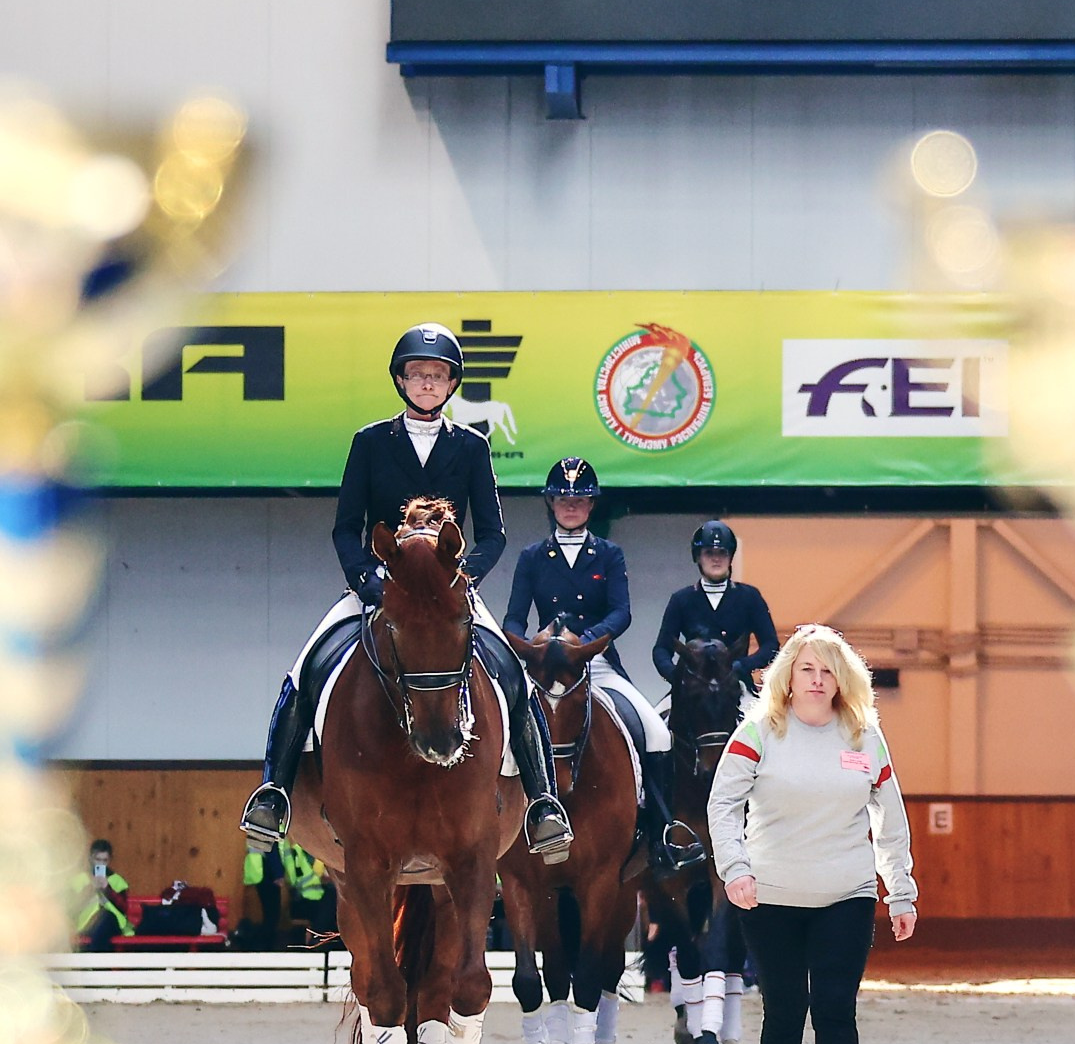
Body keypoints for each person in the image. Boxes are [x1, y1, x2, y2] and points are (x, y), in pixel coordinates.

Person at [240, 324, 573, 862]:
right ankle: (274, 793)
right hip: (379, 586)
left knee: (514, 677)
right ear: (401, 380)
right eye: (417, 375)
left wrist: (460, 581)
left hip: (449, 591)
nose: (426, 384)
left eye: (436, 376)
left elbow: (493, 533)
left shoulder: (472, 446)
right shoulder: (371, 442)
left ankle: (542, 802)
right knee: (305, 670)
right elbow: (346, 527)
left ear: (450, 384)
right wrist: (365, 580)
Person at [707, 624, 917, 1044]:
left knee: (834, 1006)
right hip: (770, 897)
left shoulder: (864, 737)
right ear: (788, 678)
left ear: (843, 679)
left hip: (846, 893)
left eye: (828, 670)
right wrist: (735, 870)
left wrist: (900, 891)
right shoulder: (757, 731)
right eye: (808, 669)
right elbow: (723, 805)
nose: (818, 680)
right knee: (784, 1012)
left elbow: (890, 821)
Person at [502, 457, 704, 877]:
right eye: (563, 499)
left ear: (591, 506)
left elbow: (622, 612)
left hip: (593, 662)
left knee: (655, 729)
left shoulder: (608, 554)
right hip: (544, 664)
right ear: (551, 504)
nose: (570, 506)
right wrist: (527, 644)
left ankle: (663, 830)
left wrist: (585, 642)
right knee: (498, 729)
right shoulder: (533, 556)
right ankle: (492, 831)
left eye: (579, 499)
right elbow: (514, 616)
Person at [652, 519, 779, 694]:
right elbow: (661, 649)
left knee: (764, 720)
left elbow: (770, 644)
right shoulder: (681, 599)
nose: (716, 559)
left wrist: (743, 665)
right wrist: (676, 676)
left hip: (736, 685)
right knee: (657, 719)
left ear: (730, 556)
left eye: (722, 552)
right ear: (698, 556)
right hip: (692, 687)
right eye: (709, 552)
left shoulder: (750, 597)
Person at [242, 836, 328, 949]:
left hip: (259, 869)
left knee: (270, 914)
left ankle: (264, 946)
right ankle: (264, 947)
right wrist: (278, 874)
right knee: (272, 914)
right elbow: (272, 849)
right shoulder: (272, 822)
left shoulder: (258, 822)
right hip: (267, 871)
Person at [75, 838, 134, 949]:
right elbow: (73, 906)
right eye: (98, 859)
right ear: (91, 858)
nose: (101, 864)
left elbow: (123, 907)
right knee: (99, 926)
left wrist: (108, 889)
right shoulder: (80, 879)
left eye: (105, 860)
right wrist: (90, 888)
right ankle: (97, 962)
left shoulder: (117, 881)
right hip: (86, 922)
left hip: (112, 921)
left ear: (110, 860)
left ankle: (93, 962)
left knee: (104, 919)